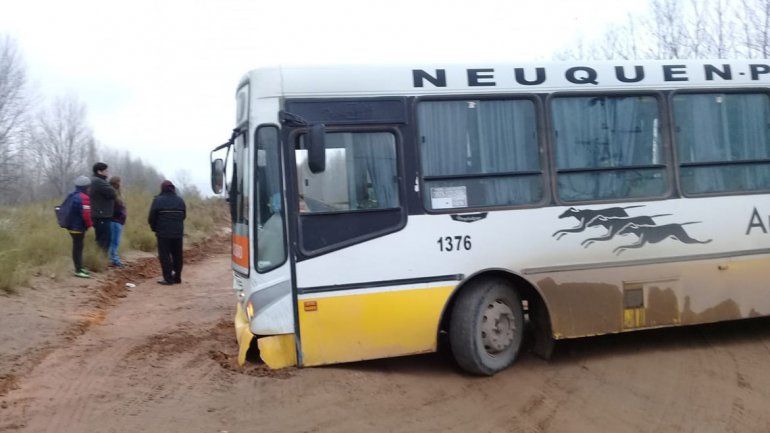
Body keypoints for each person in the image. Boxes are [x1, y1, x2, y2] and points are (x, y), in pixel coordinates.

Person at [148, 180, 186, 285]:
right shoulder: (180, 200)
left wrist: (154, 228)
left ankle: (168, 279)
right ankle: (177, 277)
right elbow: (184, 216)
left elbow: (152, 217)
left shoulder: (158, 200)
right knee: (177, 255)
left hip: (163, 233)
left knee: (165, 256)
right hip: (178, 233)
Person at [66, 176, 94, 278]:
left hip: (70, 225)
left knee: (77, 246)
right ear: (86, 187)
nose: (90, 188)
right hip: (78, 227)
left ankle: (80, 267)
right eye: (89, 186)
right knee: (78, 248)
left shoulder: (72, 195)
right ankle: (78, 270)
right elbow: (86, 214)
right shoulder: (84, 197)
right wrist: (90, 225)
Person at [89, 162, 116, 251]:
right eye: (106, 170)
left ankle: (99, 257)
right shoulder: (98, 181)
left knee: (101, 239)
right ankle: (101, 258)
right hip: (101, 216)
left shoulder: (95, 180)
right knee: (104, 240)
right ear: (99, 171)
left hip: (99, 214)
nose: (107, 172)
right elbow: (112, 193)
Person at [108, 176, 127, 267]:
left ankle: (113, 259)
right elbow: (115, 209)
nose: (121, 184)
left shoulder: (117, 194)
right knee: (114, 242)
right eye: (119, 182)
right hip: (115, 220)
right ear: (116, 183)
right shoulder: (113, 195)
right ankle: (114, 260)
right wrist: (121, 214)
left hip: (118, 221)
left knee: (115, 241)